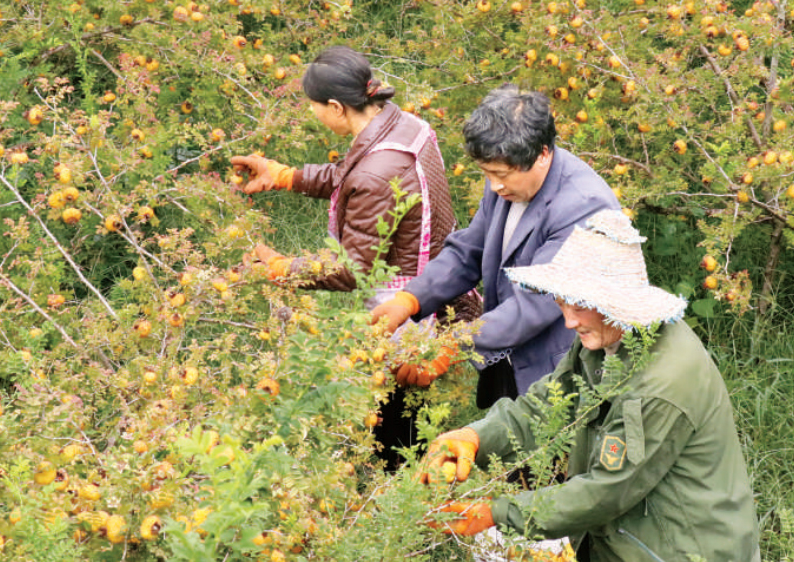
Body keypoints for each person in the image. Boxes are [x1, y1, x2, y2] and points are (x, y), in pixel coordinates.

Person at [417, 210, 760, 562]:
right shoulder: (607, 337)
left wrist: (497, 513)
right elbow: (547, 403)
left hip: (684, 550)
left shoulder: (660, 383)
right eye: (562, 302)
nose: (569, 321)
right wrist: (475, 437)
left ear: (615, 302)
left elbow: (608, 491)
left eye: (580, 305)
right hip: (633, 537)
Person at [231, 45, 481, 468]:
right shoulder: (401, 125)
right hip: (434, 276)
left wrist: (281, 269)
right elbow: (352, 177)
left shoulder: (378, 170)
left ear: (335, 107)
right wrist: (286, 176)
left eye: (314, 106)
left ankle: (403, 488)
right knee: (400, 407)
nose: (312, 113)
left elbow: (351, 269)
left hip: (402, 304)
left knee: (394, 420)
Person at [371, 85, 620, 408]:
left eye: (501, 174)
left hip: (557, 370)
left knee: (546, 440)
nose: (494, 185)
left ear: (543, 154)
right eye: (487, 173)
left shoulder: (583, 207)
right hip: (508, 357)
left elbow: (533, 304)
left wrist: (452, 344)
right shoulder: (508, 185)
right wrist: (411, 299)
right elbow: (468, 251)